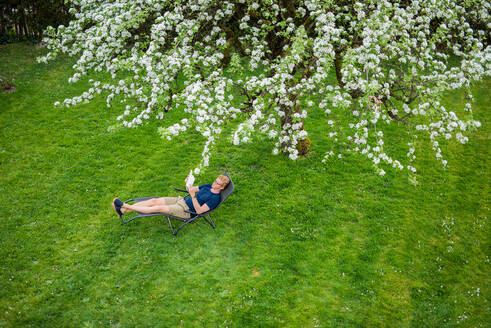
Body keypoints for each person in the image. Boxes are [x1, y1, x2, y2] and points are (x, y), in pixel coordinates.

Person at [112, 174, 230, 219]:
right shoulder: (208, 186)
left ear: (222, 188)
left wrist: (193, 197)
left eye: (217, 184)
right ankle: (123, 211)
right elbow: (191, 190)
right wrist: (188, 184)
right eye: (215, 181)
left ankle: (124, 206)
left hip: (187, 211)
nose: (214, 184)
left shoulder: (215, 199)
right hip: (182, 200)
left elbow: (199, 211)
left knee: (157, 208)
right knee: (154, 200)